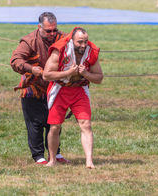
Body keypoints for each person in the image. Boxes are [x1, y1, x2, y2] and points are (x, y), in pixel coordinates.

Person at [10, 12, 70, 165]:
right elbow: (15, 60)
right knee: (35, 124)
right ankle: (38, 156)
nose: (51, 34)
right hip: (33, 87)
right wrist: (31, 69)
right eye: (48, 30)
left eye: (54, 30)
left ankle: (55, 154)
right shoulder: (29, 41)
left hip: (55, 87)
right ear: (39, 27)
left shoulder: (63, 38)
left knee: (54, 123)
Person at [43, 27, 103, 168]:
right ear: (72, 40)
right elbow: (46, 74)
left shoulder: (91, 51)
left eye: (85, 42)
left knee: (86, 124)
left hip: (79, 90)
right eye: (80, 42)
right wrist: (68, 72)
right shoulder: (60, 49)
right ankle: (52, 160)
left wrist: (86, 74)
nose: (83, 45)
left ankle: (89, 161)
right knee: (55, 126)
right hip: (60, 90)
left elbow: (99, 78)